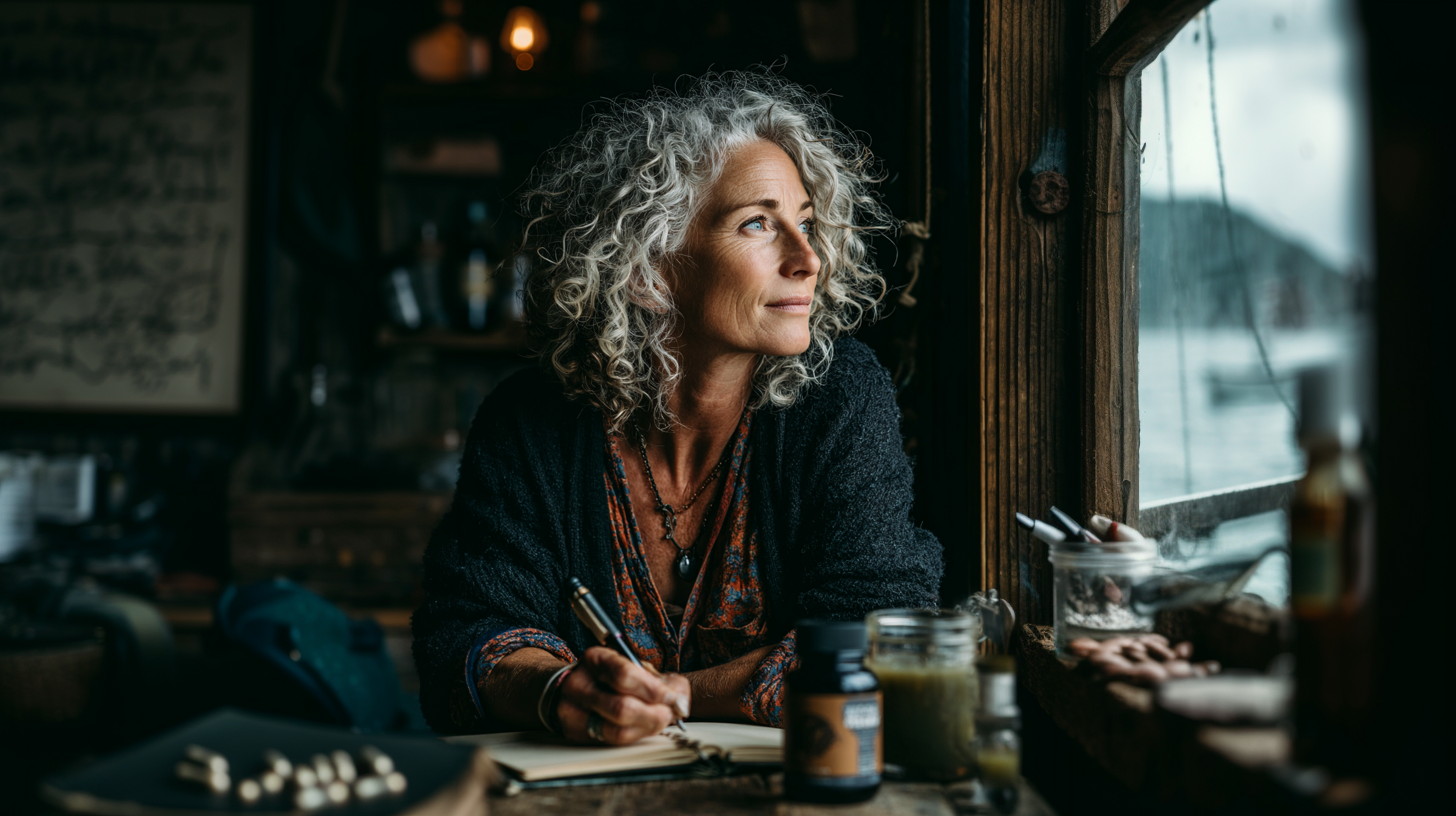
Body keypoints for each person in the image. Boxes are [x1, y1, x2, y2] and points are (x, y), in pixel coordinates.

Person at [412, 71, 941, 744]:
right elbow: (463, 637)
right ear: (648, 271)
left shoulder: (840, 396)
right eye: (758, 224)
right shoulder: (529, 423)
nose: (809, 258)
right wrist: (555, 690)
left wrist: (680, 693)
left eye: (806, 224)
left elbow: (879, 632)